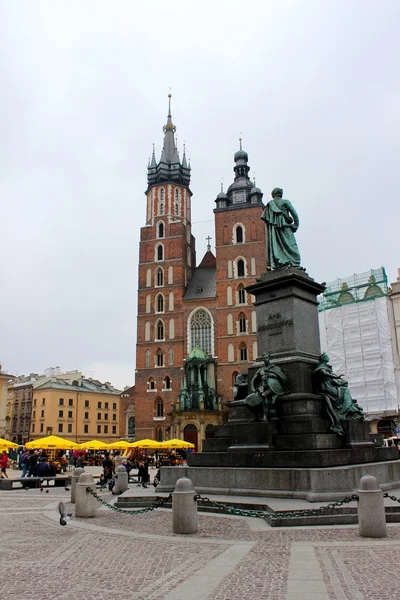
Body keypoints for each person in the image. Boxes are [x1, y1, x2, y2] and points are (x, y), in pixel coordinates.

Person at [313, 353, 365, 432]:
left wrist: (339, 381)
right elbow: (323, 373)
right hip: (325, 387)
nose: (328, 358)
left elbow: (331, 378)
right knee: (343, 391)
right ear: (323, 358)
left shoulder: (327, 367)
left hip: (330, 385)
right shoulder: (321, 367)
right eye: (327, 357)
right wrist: (336, 377)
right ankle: (344, 410)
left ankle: (347, 408)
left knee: (344, 390)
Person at [261, 187, 301, 270]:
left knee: (277, 246)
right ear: (281, 194)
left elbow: (267, 221)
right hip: (286, 227)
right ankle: (295, 263)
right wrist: (295, 225)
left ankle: (279, 262)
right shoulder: (285, 202)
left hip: (274, 231)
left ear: (273, 195)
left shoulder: (269, 205)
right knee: (292, 245)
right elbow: (294, 214)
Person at [244, 352, 288, 421]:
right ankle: (258, 415)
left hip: (272, 388)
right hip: (262, 388)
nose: (266, 359)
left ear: (269, 358)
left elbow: (282, 377)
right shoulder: (260, 369)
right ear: (263, 359)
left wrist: (272, 375)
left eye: (267, 358)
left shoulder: (275, 368)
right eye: (264, 358)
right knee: (246, 401)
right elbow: (253, 380)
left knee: (264, 395)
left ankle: (265, 416)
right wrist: (252, 387)